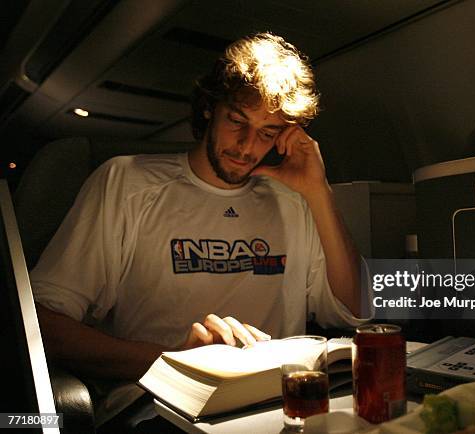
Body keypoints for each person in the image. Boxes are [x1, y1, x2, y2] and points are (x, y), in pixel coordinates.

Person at [31, 32, 366, 430]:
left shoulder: (292, 201)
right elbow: (45, 324)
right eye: (237, 121)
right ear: (210, 108)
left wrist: (318, 191)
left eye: (267, 132)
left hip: (277, 404)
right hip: (157, 402)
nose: (245, 146)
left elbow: (356, 311)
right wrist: (174, 360)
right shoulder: (126, 182)